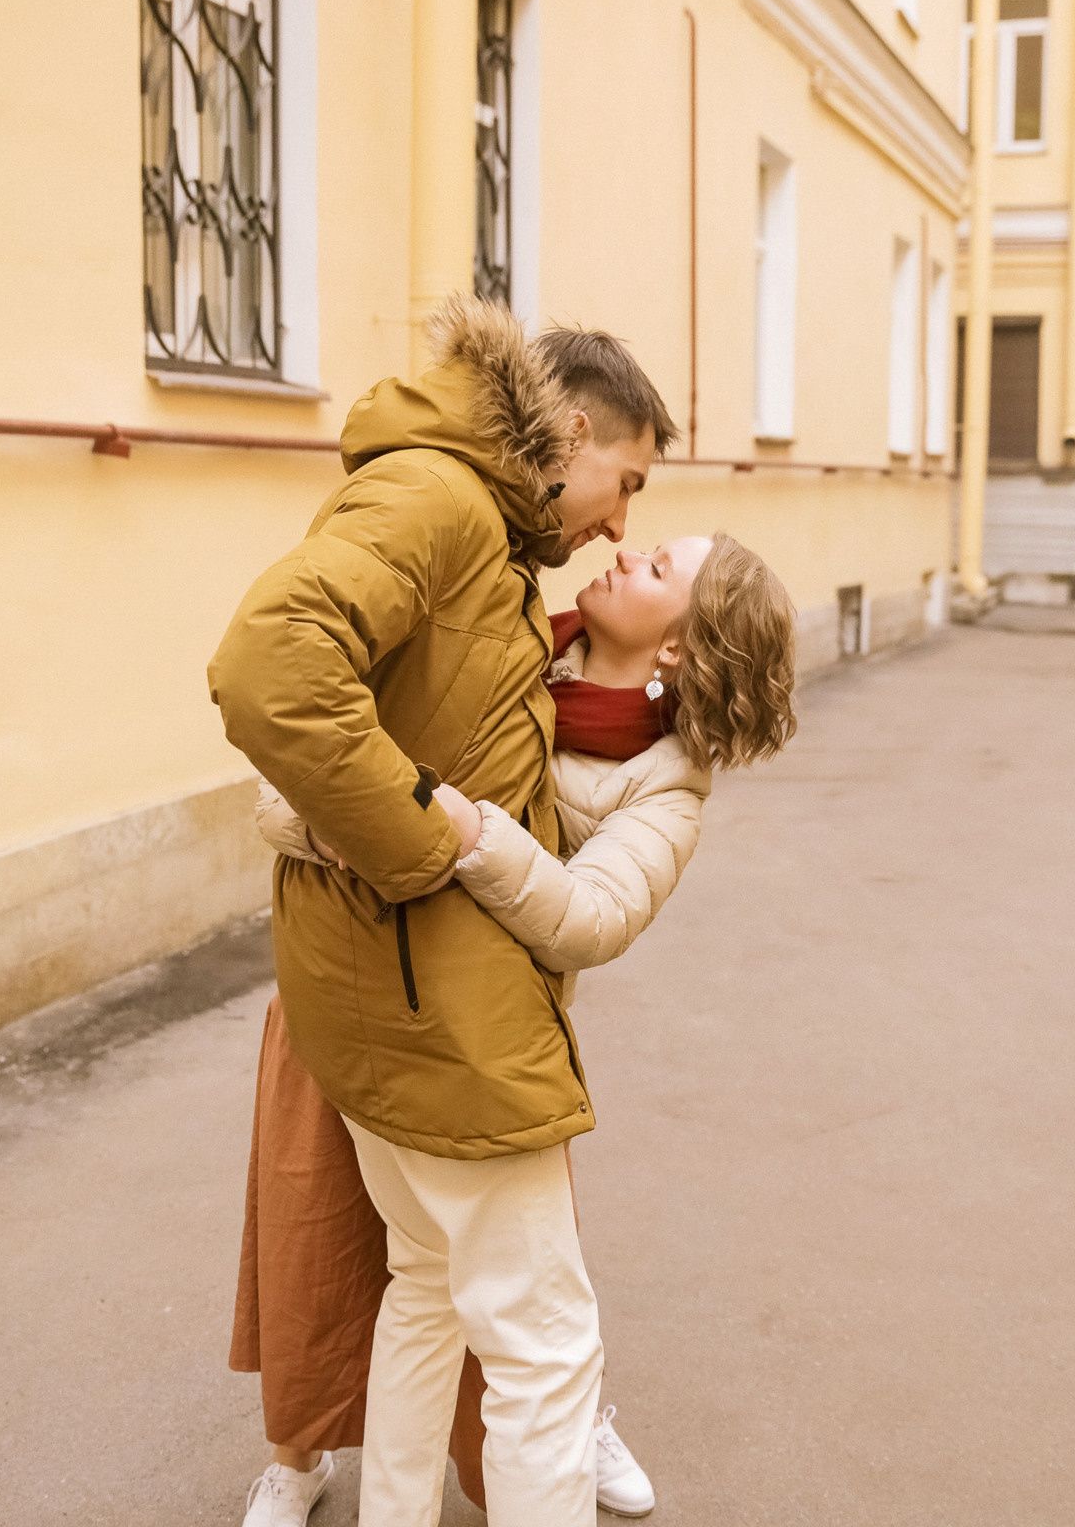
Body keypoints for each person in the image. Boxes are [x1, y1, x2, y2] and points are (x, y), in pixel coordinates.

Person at [208, 295, 674, 1527]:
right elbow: (268, 667)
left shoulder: (479, 524)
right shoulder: (442, 499)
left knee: (422, 1287)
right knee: (545, 1348)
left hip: (389, 990)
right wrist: (417, 838)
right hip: (437, 1004)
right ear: (570, 430)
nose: (620, 524)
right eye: (621, 483)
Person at [240, 530, 799, 1523]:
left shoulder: (664, 780)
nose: (626, 550)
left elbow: (591, 920)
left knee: (424, 1291)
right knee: (545, 1346)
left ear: (677, 648)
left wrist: (465, 830)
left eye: (660, 568)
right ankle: (301, 1458)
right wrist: (357, 827)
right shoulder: (502, 650)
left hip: (473, 1040)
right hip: (388, 1020)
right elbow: (297, 784)